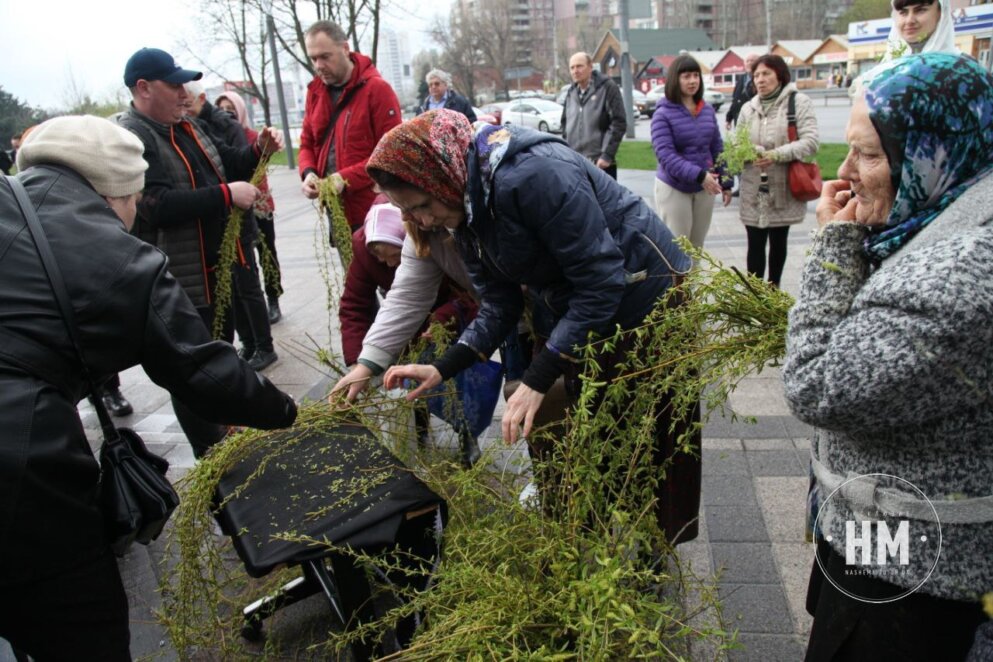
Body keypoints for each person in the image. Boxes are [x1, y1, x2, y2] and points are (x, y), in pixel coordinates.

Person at [0, 115, 297, 661]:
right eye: (135, 200)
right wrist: (286, 411)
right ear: (115, 193)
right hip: (20, 466)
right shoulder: (120, 257)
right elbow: (201, 372)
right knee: (82, 629)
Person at [366, 110, 701, 544]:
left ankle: (654, 548)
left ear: (441, 174)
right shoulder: (463, 206)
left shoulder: (535, 174)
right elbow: (499, 302)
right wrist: (445, 367)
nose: (422, 222)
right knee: (592, 427)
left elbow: (601, 281)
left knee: (649, 435)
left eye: (423, 206)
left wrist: (539, 375)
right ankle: (601, 537)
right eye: (409, 212)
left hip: (643, 301)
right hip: (579, 305)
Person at [783, 53, 993, 661]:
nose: (844, 172)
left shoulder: (961, 272)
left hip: (915, 569)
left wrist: (832, 247)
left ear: (933, 153)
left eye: (870, 155)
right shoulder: (943, 214)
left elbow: (816, 385)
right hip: (888, 536)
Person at [116, 47, 284, 457]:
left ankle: (227, 435)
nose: (183, 92)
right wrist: (226, 195)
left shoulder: (187, 125)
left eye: (183, 83)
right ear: (143, 88)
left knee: (218, 355)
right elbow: (153, 205)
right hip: (181, 279)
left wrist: (258, 149)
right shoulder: (132, 136)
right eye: (173, 84)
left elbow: (228, 163)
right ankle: (211, 453)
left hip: (215, 271)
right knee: (191, 373)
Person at [337, 201, 482, 466]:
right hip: (403, 325)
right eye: (379, 257)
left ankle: (466, 434)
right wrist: (359, 364)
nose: (387, 262)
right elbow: (355, 307)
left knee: (454, 382)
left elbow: (472, 294)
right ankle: (418, 430)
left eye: (391, 254)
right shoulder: (365, 248)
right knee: (404, 378)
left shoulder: (431, 234)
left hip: (444, 320)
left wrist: (444, 318)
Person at [182, 82, 278, 372]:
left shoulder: (217, 126)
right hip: (217, 222)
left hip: (236, 220)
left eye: (186, 98)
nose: (182, 104)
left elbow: (239, 163)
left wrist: (258, 149)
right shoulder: (190, 126)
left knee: (247, 287)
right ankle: (248, 343)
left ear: (199, 98)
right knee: (233, 290)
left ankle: (264, 345)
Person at [298, 20, 402, 231]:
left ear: (345, 49)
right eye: (313, 59)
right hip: (337, 211)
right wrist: (308, 172)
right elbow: (307, 142)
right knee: (350, 263)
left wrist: (344, 178)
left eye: (325, 57)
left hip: (373, 210)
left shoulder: (377, 90)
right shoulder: (315, 93)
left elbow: (392, 153)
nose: (318, 65)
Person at [736, 54, 819, 287]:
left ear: (779, 75)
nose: (760, 80)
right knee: (754, 242)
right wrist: (749, 151)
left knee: (778, 241)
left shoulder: (798, 102)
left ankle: (773, 292)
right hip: (755, 187)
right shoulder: (747, 109)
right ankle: (754, 298)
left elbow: (811, 141)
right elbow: (735, 142)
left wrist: (775, 155)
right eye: (756, 75)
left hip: (783, 186)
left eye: (766, 74)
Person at [651, 54, 732, 250]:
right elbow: (666, 156)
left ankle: (693, 283)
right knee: (678, 249)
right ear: (675, 79)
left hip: (704, 188)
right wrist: (699, 175)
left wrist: (726, 181)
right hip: (674, 188)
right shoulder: (662, 114)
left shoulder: (707, 110)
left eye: (696, 75)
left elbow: (717, 147)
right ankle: (675, 282)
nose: (693, 81)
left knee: (696, 248)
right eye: (686, 76)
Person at [217, 91, 283, 324]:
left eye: (231, 108)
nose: (227, 112)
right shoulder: (219, 137)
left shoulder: (253, 136)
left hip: (260, 205)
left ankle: (274, 298)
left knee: (267, 253)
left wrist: (255, 196)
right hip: (238, 207)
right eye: (222, 108)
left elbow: (259, 170)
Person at [560, 52, 626, 180]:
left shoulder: (607, 87)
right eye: (572, 67)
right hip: (575, 163)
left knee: (603, 200)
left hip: (600, 164)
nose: (575, 71)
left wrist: (607, 155)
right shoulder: (571, 92)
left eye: (579, 66)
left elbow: (619, 122)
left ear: (590, 67)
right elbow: (564, 125)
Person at [724, 52, 759, 129]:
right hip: (739, 119)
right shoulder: (742, 78)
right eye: (747, 61)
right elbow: (735, 100)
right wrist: (729, 118)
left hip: (754, 121)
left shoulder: (760, 80)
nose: (749, 63)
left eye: (752, 60)